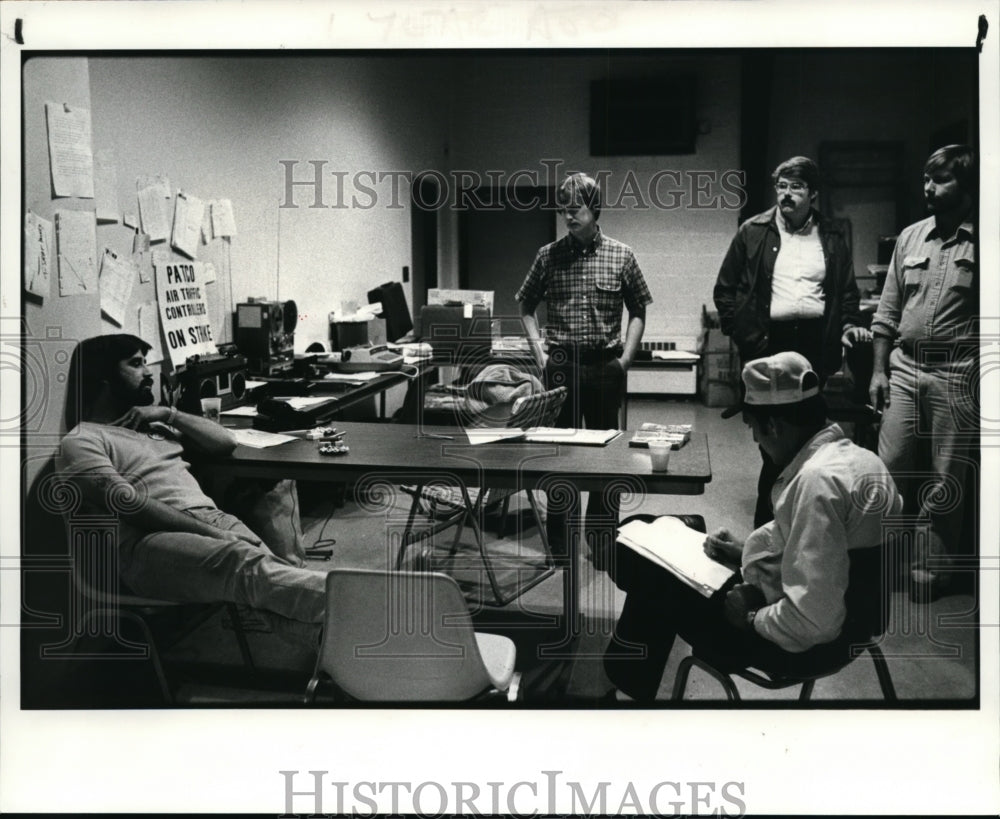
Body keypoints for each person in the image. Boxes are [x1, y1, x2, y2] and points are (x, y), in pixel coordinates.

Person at [603, 351, 902, 702]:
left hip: (794, 643)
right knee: (658, 531)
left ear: (773, 426)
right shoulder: (860, 461)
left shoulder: (816, 482)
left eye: (754, 430)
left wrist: (751, 616)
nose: (757, 441)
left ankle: (619, 687)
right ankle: (625, 682)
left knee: (636, 554)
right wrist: (746, 551)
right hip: (854, 626)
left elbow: (813, 623)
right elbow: (834, 559)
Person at [56, 334, 328, 630]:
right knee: (249, 568)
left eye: (146, 362)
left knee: (273, 582)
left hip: (211, 520)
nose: (148, 372)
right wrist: (213, 533)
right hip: (146, 542)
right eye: (136, 364)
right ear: (103, 376)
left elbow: (225, 442)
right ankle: (360, 599)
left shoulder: (154, 426)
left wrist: (169, 413)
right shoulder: (83, 439)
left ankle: (337, 657)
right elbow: (130, 505)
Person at [713, 155, 869, 527]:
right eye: (781, 186)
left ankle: (807, 521)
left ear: (813, 194)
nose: (786, 194)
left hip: (815, 346)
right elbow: (725, 289)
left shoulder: (831, 235)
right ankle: (767, 532)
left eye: (795, 187)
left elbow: (846, 291)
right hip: (768, 343)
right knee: (774, 443)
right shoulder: (754, 230)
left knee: (809, 435)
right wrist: (745, 337)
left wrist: (848, 325)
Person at [516, 172, 653, 568]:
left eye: (574, 209)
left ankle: (602, 541)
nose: (567, 217)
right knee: (559, 457)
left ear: (594, 209)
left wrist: (624, 360)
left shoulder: (621, 255)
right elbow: (525, 305)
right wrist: (539, 352)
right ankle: (560, 544)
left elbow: (639, 310)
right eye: (563, 209)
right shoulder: (548, 256)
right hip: (559, 364)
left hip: (603, 365)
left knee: (606, 459)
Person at [869, 144, 978, 601]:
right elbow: (887, 310)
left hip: (959, 373)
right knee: (887, 470)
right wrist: (878, 371)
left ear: (967, 186)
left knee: (944, 480)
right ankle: (877, 565)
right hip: (905, 368)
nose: (929, 188)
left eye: (941, 180)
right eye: (926, 179)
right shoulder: (911, 238)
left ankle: (929, 573)